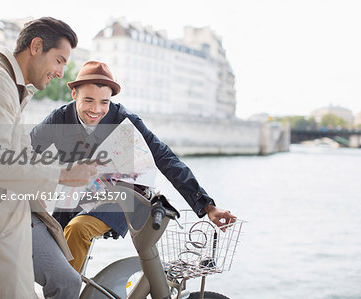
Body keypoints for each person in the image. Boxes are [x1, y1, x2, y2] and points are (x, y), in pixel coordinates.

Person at [31, 61, 236, 272]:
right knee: (45, 236)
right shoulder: (60, 118)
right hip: (76, 196)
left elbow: (164, 157)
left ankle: (66, 291)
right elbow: (26, 150)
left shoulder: (124, 119)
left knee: (78, 230)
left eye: (104, 102)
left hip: (120, 196)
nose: (96, 109)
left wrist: (206, 206)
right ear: (74, 94)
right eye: (88, 100)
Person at [0, 17, 95, 299]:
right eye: (59, 60)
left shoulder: (2, 83)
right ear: (36, 47)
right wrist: (63, 174)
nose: (61, 72)